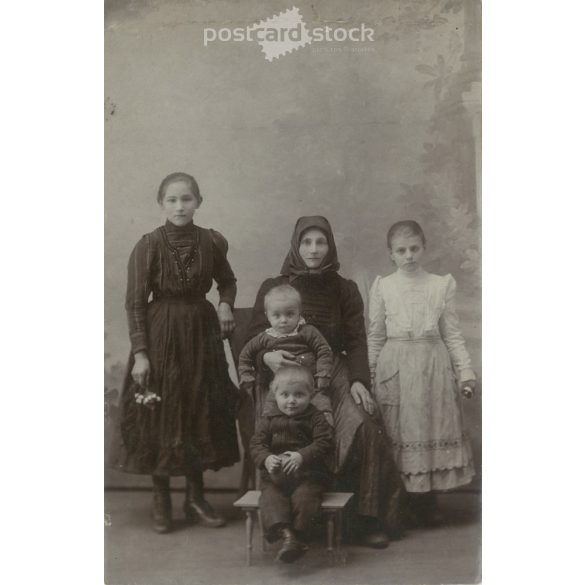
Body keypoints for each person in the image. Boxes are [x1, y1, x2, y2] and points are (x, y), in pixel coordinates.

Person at [246, 216, 404, 548]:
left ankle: (366, 519)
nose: (314, 249)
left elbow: (357, 340)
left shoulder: (344, 288)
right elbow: (253, 338)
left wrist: (359, 380)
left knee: (364, 425)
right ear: (296, 245)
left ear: (330, 245)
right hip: (283, 375)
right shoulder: (274, 285)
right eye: (307, 242)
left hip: (331, 371)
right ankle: (292, 518)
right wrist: (267, 358)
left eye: (321, 242)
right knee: (284, 421)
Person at [110, 172, 240, 533]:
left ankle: (195, 498)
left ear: (199, 201)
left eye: (187, 199)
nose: (180, 206)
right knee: (161, 412)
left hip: (200, 333)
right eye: (172, 200)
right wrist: (141, 353)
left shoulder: (211, 241)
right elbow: (135, 303)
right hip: (160, 333)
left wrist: (225, 304)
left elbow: (227, 281)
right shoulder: (148, 245)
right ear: (161, 203)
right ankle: (161, 498)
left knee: (198, 406)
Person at [368, 220, 476, 526]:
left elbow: (452, 334)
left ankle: (428, 502)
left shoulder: (440, 285)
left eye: (414, 248)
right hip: (397, 364)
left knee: (431, 426)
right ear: (391, 254)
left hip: (432, 364)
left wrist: (465, 370)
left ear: (424, 247)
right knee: (400, 430)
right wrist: (371, 376)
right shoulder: (384, 286)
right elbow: (375, 335)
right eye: (401, 250)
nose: (409, 255)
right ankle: (401, 502)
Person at [249, 366, 334, 563]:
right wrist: (267, 458)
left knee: (305, 498)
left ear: (310, 395)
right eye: (285, 395)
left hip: (308, 475)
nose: (291, 400)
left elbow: (324, 442)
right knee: (270, 498)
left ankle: (300, 537)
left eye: (299, 395)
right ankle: (288, 536)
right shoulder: (268, 419)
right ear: (275, 394)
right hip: (275, 477)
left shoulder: (316, 418)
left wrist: (301, 455)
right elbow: (257, 444)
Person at [238, 284, 334, 418]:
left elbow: (324, 349)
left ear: (299, 312)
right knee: (268, 415)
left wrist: (323, 373)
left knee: (322, 408)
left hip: (309, 384)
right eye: (276, 315)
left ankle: (325, 433)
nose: (283, 320)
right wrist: (246, 376)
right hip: (279, 388)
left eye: (289, 314)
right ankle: (266, 436)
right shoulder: (265, 337)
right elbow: (245, 355)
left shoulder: (307, 331)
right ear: (267, 316)